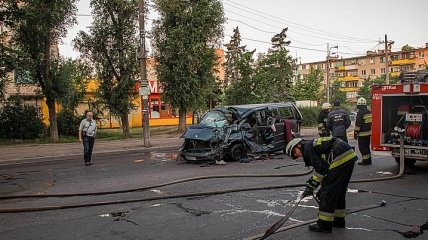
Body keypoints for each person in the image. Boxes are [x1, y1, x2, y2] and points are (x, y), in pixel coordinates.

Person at [285, 137, 357, 233]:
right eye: (295, 156)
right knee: (338, 193)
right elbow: (325, 169)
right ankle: (338, 221)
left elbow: (321, 169)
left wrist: (311, 186)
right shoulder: (312, 146)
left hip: (340, 157)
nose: (297, 155)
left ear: (298, 145)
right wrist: (321, 188)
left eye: (294, 152)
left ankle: (324, 225)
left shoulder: (307, 148)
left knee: (327, 194)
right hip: (348, 156)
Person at [355, 97, 372, 165]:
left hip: (362, 134)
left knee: (362, 148)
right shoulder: (368, 111)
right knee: (367, 147)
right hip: (368, 133)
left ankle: (365, 161)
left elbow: (358, 124)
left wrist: (356, 132)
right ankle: (369, 160)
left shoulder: (360, 113)